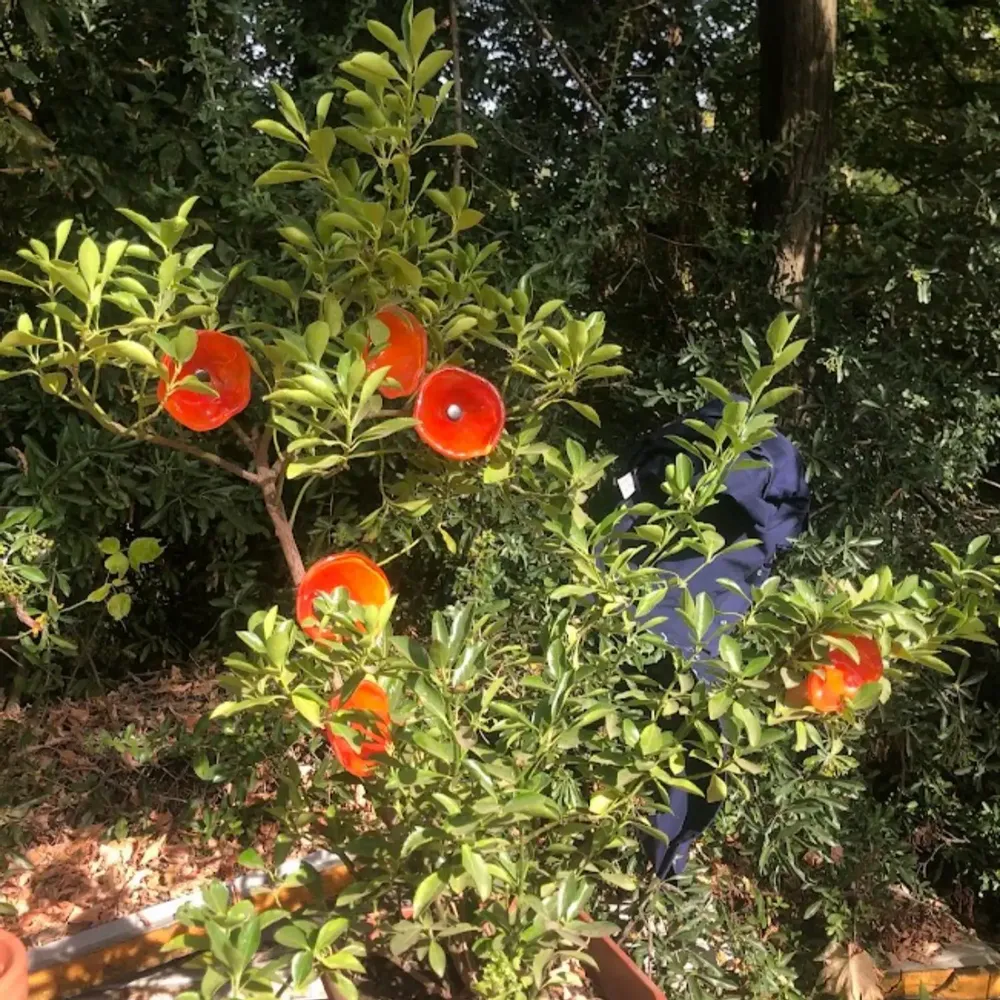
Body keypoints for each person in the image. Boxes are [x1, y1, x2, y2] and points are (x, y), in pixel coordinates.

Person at [589, 400, 810, 877]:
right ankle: (660, 864)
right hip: (707, 634)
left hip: (628, 612)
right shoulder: (777, 478)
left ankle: (624, 853)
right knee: (693, 745)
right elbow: (780, 542)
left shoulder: (674, 444)